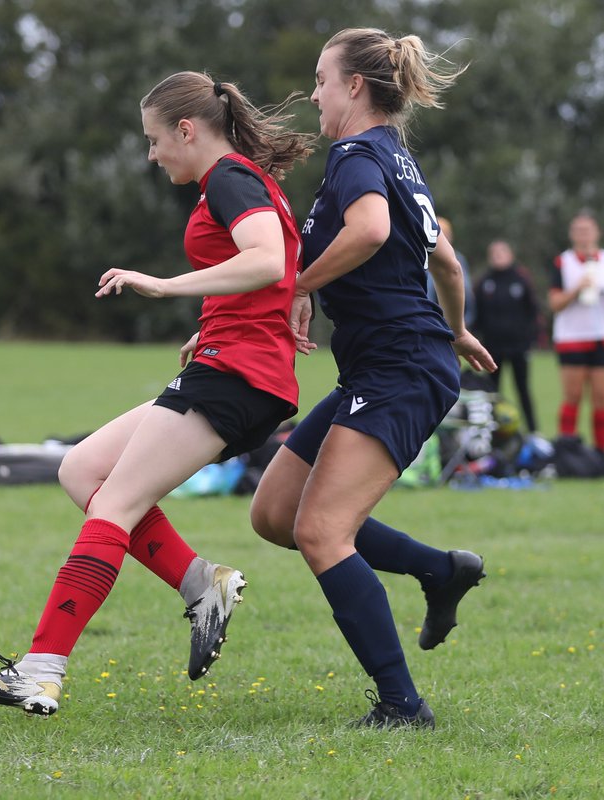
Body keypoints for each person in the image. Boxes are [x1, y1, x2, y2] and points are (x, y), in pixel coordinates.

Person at [0, 71, 314, 717]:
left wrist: (167, 286)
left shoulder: (228, 178)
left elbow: (267, 261)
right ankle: (204, 585)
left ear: (187, 130)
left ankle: (40, 668)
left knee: (114, 501)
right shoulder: (236, 180)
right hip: (232, 364)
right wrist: (217, 325)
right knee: (82, 469)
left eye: (154, 139)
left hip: (240, 377)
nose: (151, 154)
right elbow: (273, 273)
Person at [249, 28, 497, 730]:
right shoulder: (398, 159)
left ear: (355, 86)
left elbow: (369, 232)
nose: (316, 94)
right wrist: (456, 328)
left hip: (397, 366)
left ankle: (401, 705)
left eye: (322, 80)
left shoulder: (357, 154)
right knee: (275, 514)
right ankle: (437, 570)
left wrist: (293, 286)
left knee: (323, 532)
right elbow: (445, 263)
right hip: (392, 360)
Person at [548, 212, 604, 454]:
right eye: (578, 230)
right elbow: (554, 303)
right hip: (572, 338)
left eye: (588, 230)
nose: (583, 235)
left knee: (602, 397)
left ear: (597, 233)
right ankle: (567, 451)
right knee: (572, 396)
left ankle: (601, 454)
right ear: (572, 235)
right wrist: (575, 290)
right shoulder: (563, 262)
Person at [473, 239, 540, 433]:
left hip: (519, 346)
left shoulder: (521, 279)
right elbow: (477, 315)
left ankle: (534, 431)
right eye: (493, 253)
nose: (497, 257)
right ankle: (491, 431)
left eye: (501, 252)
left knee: (523, 389)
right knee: (492, 391)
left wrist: (530, 339)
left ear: (510, 255)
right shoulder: (485, 282)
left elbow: (532, 312)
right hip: (493, 347)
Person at [427, 216, 476, 330]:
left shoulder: (459, 259)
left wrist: (465, 321)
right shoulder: (421, 259)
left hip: (456, 325)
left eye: (446, 235)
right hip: (431, 324)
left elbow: (466, 292)